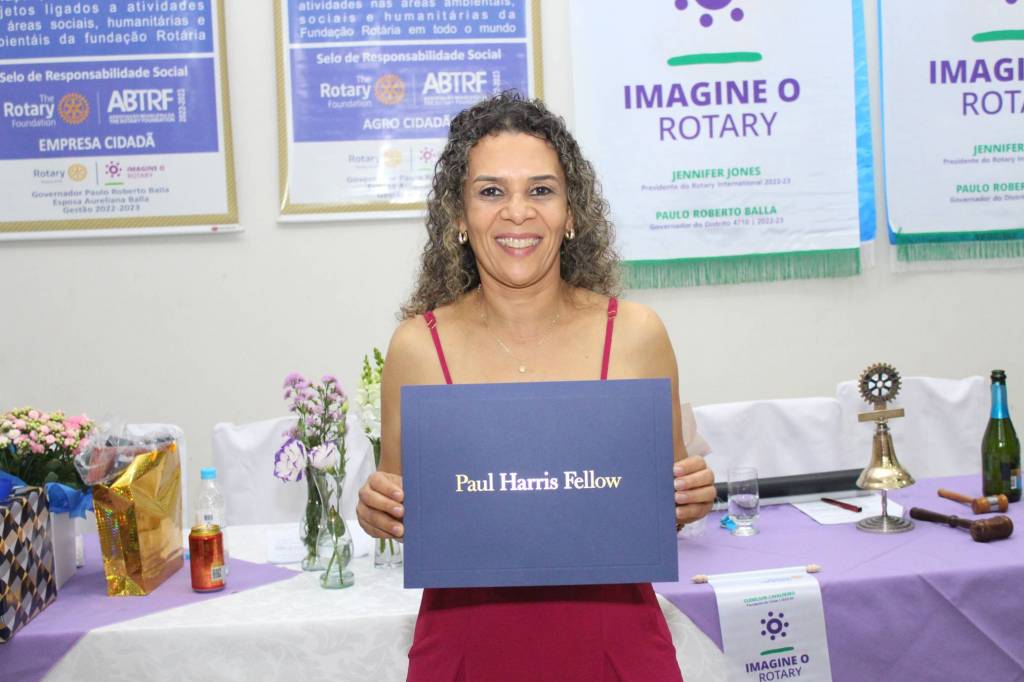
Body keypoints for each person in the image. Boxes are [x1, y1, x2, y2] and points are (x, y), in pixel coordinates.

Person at [356, 91, 716, 681]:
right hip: (466, 645)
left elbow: (661, 507)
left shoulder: (634, 334)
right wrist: (378, 510)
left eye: (541, 190)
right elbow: (404, 509)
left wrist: (688, 498)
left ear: (572, 213)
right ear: (458, 216)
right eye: (490, 192)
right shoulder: (417, 348)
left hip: (616, 643)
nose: (517, 212)